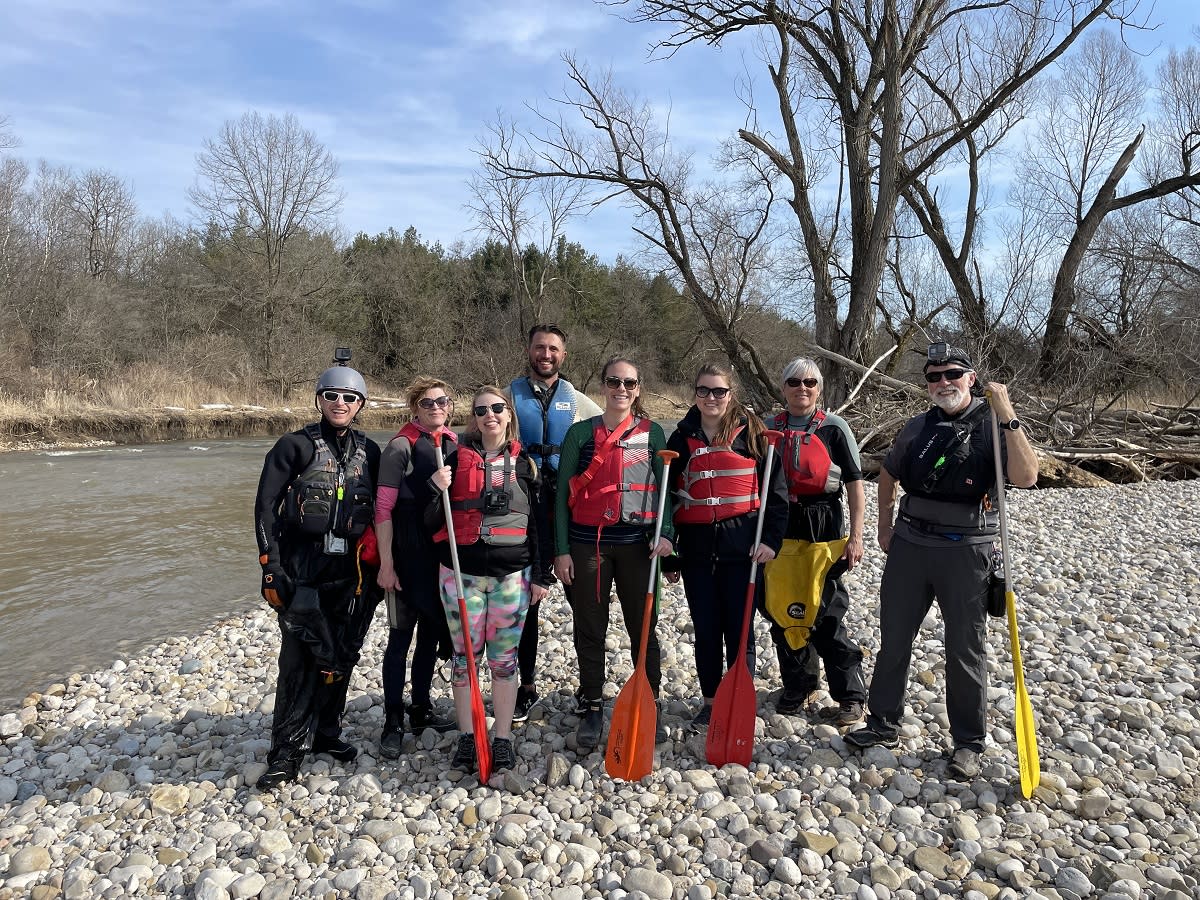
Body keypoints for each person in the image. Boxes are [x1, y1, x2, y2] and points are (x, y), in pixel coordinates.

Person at [845, 344, 1038, 780]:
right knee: (894, 638)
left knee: (964, 650)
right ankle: (882, 723)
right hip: (911, 545)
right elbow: (889, 473)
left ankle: (968, 742)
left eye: (952, 373)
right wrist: (884, 525)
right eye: (933, 376)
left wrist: (1006, 410)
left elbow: (1026, 477)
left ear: (971, 378)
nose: (943, 383)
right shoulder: (917, 427)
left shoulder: (994, 425)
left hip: (968, 550)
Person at [253, 361, 382, 790]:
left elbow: (385, 512)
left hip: (351, 574)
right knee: (298, 660)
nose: (340, 404)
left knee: (340, 656)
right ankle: (286, 752)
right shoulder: (294, 446)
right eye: (332, 396)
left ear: (360, 403)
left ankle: (327, 734)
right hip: (302, 570)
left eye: (349, 398)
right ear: (319, 399)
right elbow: (265, 506)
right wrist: (270, 564)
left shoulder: (371, 452)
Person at [427, 386, 550, 772]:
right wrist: (436, 488)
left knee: (504, 662)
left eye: (497, 408)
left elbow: (540, 527)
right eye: (481, 410)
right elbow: (430, 523)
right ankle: (467, 736)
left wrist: (541, 575)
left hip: (512, 575)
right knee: (465, 660)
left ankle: (502, 738)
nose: (489, 415)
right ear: (474, 418)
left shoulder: (527, 466)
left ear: (508, 415)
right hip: (460, 574)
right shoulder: (449, 459)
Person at [554, 356, 673, 750]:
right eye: (613, 381)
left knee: (643, 627)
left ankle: (647, 702)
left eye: (629, 383)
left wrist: (667, 534)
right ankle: (591, 704)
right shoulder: (580, 434)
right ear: (603, 386)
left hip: (638, 545)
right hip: (591, 543)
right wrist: (561, 550)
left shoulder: (654, 434)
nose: (621, 389)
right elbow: (560, 498)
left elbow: (665, 490)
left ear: (638, 389)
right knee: (590, 625)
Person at [666, 363, 788, 731]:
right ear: (695, 394)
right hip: (698, 551)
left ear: (729, 394)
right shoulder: (680, 439)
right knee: (705, 629)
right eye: (704, 391)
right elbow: (667, 502)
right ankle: (710, 701)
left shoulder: (753, 435)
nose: (711, 398)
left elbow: (777, 494)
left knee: (739, 630)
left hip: (743, 550)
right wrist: (671, 554)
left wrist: (770, 540)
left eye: (719, 391)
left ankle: (739, 697)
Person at [764, 358, 869, 727]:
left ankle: (851, 696)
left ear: (819, 388)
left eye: (810, 382)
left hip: (823, 530)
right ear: (783, 388)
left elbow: (855, 484)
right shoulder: (768, 427)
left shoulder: (834, 429)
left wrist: (856, 537)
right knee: (781, 610)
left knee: (826, 614)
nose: (802, 388)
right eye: (794, 382)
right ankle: (798, 684)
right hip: (779, 529)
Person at [508, 324, 602, 723]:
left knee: (580, 598)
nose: (545, 355)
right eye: (539, 348)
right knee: (525, 600)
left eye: (553, 349)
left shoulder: (580, 403)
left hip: (564, 507)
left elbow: (612, 442)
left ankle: (589, 686)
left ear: (564, 355)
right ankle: (524, 686)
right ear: (529, 351)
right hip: (522, 507)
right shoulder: (506, 400)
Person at [373, 377, 457, 758]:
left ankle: (420, 709)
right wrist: (386, 565)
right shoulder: (399, 447)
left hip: (440, 557)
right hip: (407, 556)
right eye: (427, 403)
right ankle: (393, 721)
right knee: (400, 638)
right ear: (414, 409)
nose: (436, 407)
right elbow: (383, 510)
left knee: (430, 636)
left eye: (442, 401)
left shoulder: (454, 443)